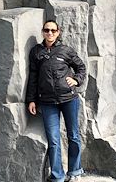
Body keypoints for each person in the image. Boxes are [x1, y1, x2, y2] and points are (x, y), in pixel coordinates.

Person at [26, 20, 87, 182]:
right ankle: (57, 176)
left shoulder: (66, 50)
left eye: (53, 30)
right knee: (54, 140)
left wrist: (76, 80)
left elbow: (81, 67)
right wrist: (31, 100)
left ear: (58, 32)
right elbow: (33, 77)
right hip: (47, 102)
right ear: (43, 32)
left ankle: (74, 172)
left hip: (69, 99)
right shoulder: (36, 52)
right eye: (47, 30)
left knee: (73, 135)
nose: (50, 33)